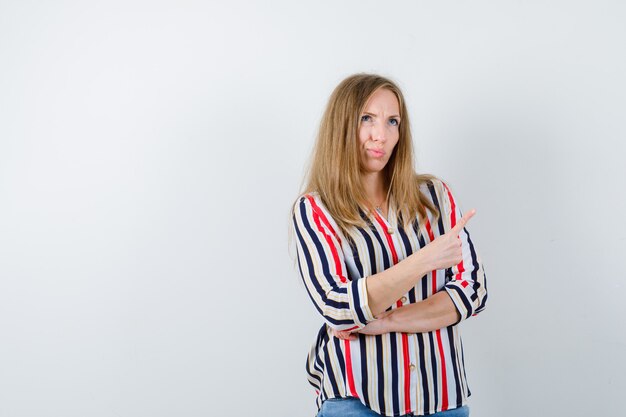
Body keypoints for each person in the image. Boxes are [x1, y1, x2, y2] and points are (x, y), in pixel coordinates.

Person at [291, 73, 488, 417]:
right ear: (341, 125)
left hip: (441, 398)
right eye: (367, 118)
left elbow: (472, 291)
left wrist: (387, 320)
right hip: (357, 400)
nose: (381, 135)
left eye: (392, 121)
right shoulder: (315, 210)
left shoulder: (434, 197)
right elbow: (338, 307)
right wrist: (425, 260)